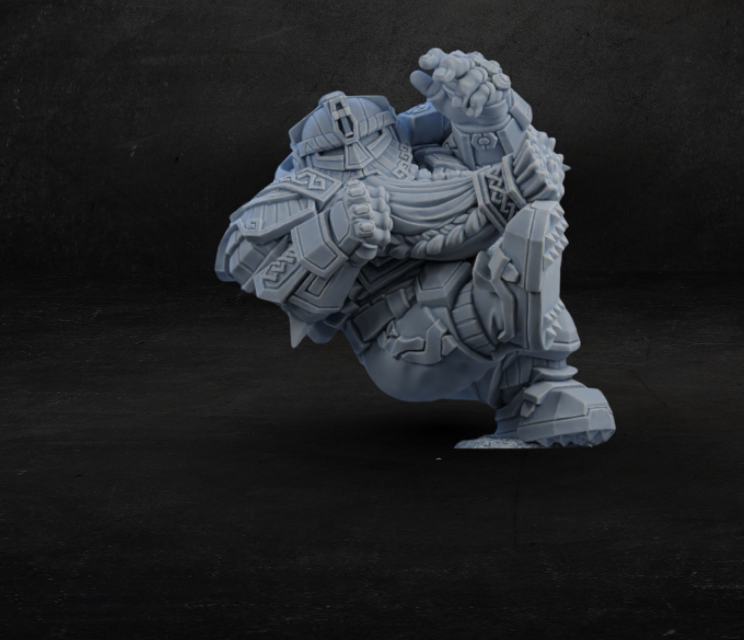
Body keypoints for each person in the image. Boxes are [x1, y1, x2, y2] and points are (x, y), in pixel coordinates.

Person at [215, 48, 615, 449]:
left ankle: (538, 399)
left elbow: (503, 176)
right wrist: (333, 232)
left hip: (472, 298)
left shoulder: (426, 154)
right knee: (470, 289)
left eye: (373, 142)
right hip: (402, 336)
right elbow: (241, 255)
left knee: (519, 236)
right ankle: (506, 308)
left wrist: (488, 118)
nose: (361, 158)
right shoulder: (305, 192)